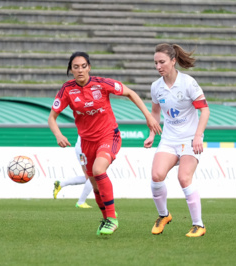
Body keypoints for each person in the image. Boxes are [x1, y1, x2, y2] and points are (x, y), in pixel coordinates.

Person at [48, 51, 162, 235]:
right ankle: (105, 217)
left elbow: (130, 93)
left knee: (98, 170)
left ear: (89, 67)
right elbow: (51, 118)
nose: (80, 70)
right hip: (86, 143)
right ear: (70, 70)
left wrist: (148, 116)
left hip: (108, 136)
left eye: (83, 66)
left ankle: (111, 218)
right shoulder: (67, 89)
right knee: (94, 185)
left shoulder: (101, 84)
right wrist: (58, 135)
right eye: (75, 67)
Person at [144, 43, 210, 237]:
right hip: (169, 139)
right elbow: (155, 113)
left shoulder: (188, 83)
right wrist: (151, 134)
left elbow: (204, 110)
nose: (158, 66)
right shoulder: (156, 87)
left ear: (173, 61)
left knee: (184, 178)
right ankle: (164, 215)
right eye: (155, 63)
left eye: (162, 62)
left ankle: (199, 225)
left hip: (190, 139)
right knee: (156, 176)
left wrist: (198, 136)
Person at [53, 136, 93, 208]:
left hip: (84, 149)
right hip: (83, 150)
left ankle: (61, 184)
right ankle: (81, 202)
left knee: (91, 176)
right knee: (92, 177)